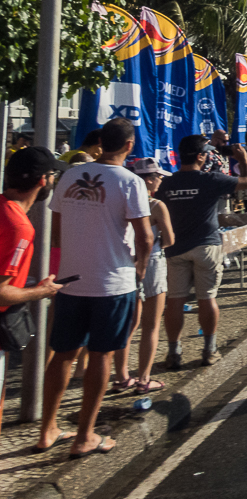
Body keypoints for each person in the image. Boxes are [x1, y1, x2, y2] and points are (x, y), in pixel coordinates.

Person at [37, 118, 154, 457]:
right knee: (100, 355)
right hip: (113, 283)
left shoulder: (70, 176)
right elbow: (145, 236)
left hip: (71, 279)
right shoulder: (131, 182)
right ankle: (84, 435)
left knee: (63, 355)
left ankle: (47, 429)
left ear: (101, 141)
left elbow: (58, 227)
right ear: (129, 146)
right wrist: (140, 268)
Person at [160, 134, 247, 369]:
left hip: (176, 248)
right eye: (207, 153)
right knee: (207, 298)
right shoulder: (211, 179)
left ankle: (173, 353)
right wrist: (242, 158)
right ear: (201, 156)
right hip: (206, 246)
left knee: (175, 301)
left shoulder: (167, 183)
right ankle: (210, 351)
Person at [0, 148, 66, 438]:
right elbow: (1, 293)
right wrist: (41, 292)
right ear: (43, 181)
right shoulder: (19, 228)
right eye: (52, 175)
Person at [112, 158, 176, 394]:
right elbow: (169, 239)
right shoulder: (156, 205)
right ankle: (144, 379)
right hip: (153, 261)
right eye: (158, 177)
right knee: (151, 325)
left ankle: (121, 376)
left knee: (128, 325)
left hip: (126, 262)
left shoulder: (120, 201)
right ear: (149, 180)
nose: (160, 181)